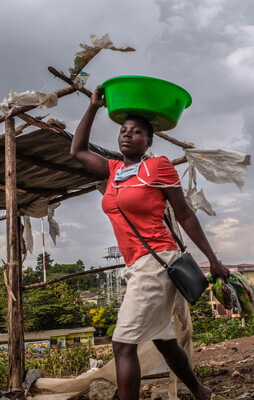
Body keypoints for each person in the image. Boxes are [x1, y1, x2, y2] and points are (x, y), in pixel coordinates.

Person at [70, 86, 228, 400]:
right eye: (123, 131)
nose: (127, 136)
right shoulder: (114, 171)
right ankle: (200, 392)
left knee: (122, 344)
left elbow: (185, 214)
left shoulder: (157, 167)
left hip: (157, 261)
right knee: (163, 339)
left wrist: (213, 259)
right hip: (137, 265)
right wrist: (92, 108)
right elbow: (77, 150)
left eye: (137, 132)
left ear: (149, 140)